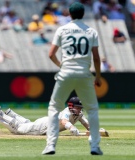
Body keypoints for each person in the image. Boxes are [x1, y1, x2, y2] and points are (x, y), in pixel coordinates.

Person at [42, 2, 103, 156]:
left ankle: (50, 145)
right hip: (84, 73)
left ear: (69, 14)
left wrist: (60, 65)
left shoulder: (62, 29)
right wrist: (98, 76)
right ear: (83, 14)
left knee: (54, 108)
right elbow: (96, 57)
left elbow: (51, 54)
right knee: (93, 109)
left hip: (66, 72)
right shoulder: (91, 31)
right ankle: (94, 146)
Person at [0, 97, 89, 136]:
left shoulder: (79, 114)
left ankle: (11, 113)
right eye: (78, 107)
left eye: (80, 108)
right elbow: (64, 121)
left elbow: (86, 124)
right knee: (18, 129)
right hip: (42, 127)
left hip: (45, 123)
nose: (79, 110)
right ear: (71, 106)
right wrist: (72, 128)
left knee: (27, 124)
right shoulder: (66, 112)